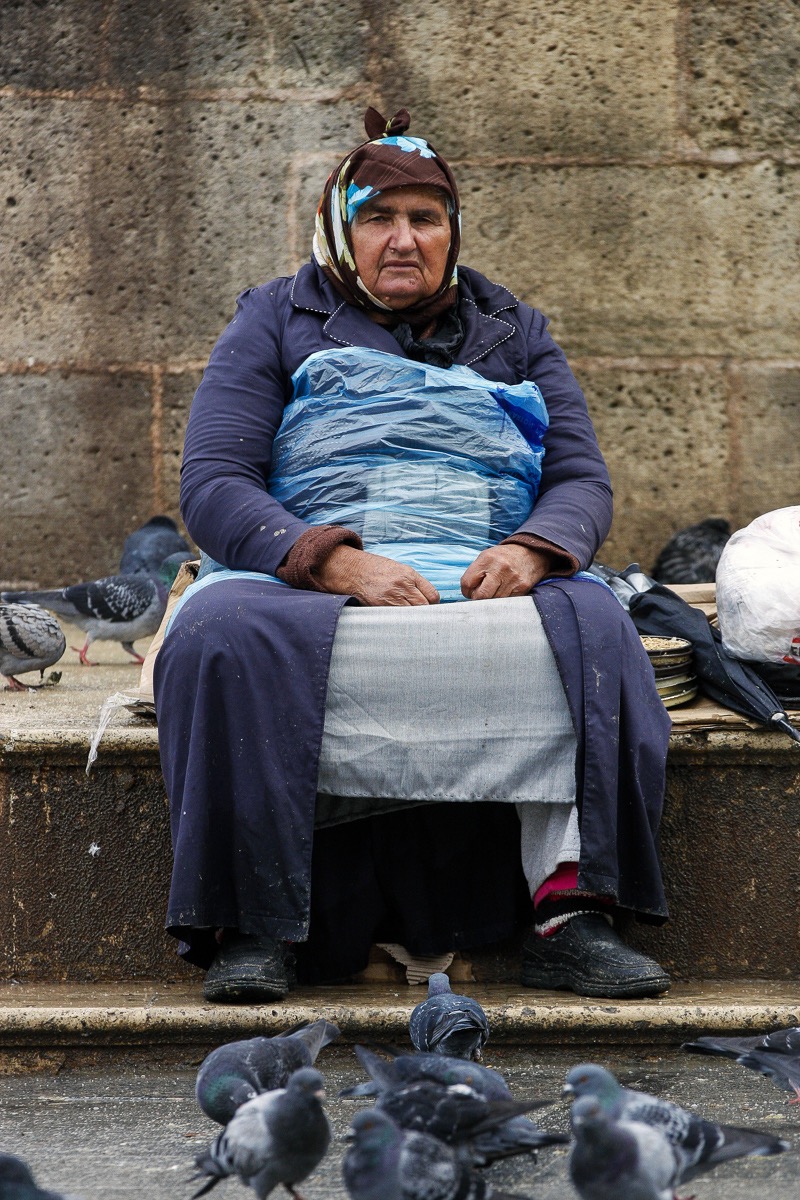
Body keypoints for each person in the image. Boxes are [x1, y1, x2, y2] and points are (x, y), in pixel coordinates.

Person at [154, 107, 672, 1004]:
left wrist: (535, 550)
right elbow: (214, 482)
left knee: (593, 626)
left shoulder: (513, 328)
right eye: (378, 218)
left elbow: (581, 478)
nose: (403, 241)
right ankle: (256, 925)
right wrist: (333, 562)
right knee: (223, 634)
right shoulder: (276, 319)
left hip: (482, 577)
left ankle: (569, 910)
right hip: (305, 579)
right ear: (339, 230)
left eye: (425, 219)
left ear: (452, 231)